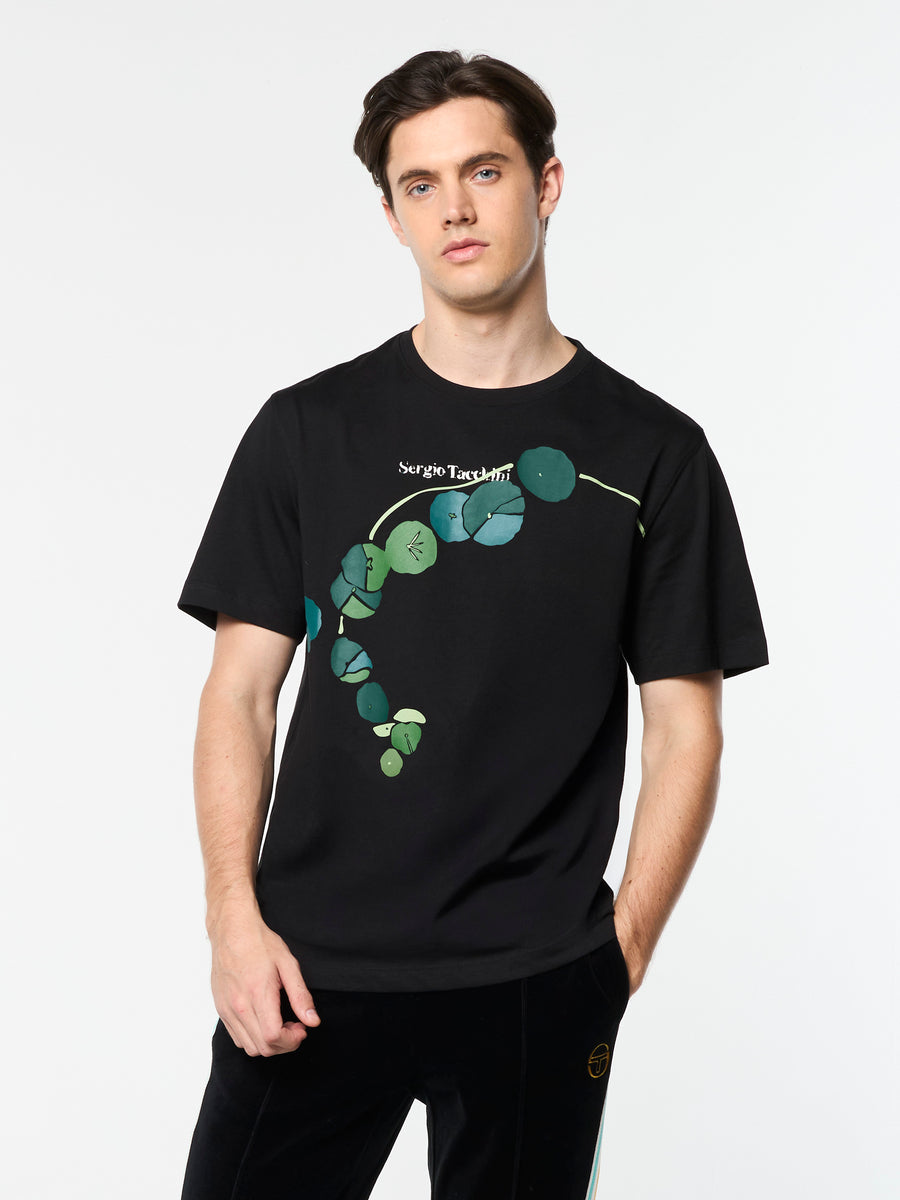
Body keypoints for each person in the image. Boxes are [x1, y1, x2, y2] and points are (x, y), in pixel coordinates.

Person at [177, 48, 768, 1200]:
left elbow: (686, 726)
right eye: (421, 183)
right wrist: (232, 924)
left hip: (538, 981)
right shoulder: (307, 430)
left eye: (485, 171)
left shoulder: (654, 453)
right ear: (393, 216)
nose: (454, 207)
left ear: (546, 184)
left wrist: (621, 951)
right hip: (307, 971)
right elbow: (238, 694)